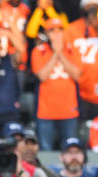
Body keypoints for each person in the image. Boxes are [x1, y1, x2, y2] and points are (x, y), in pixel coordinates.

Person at [65, 0, 98, 133]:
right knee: (82, 131)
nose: (91, 11)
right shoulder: (71, 28)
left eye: (94, 8)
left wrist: (96, 29)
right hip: (78, 89)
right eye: (88, 8)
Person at [31, 18, 81, 151]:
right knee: (46, 150)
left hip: (69, 110)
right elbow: (42, 76)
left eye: (60, 30)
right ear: (47, 34)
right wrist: (55, 53)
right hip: (46, 112)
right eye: (52, 31)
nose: (57, 34)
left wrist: (60, 53)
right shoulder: (38, 51)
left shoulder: (73, 50)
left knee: (71, 150)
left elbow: (76, 74)